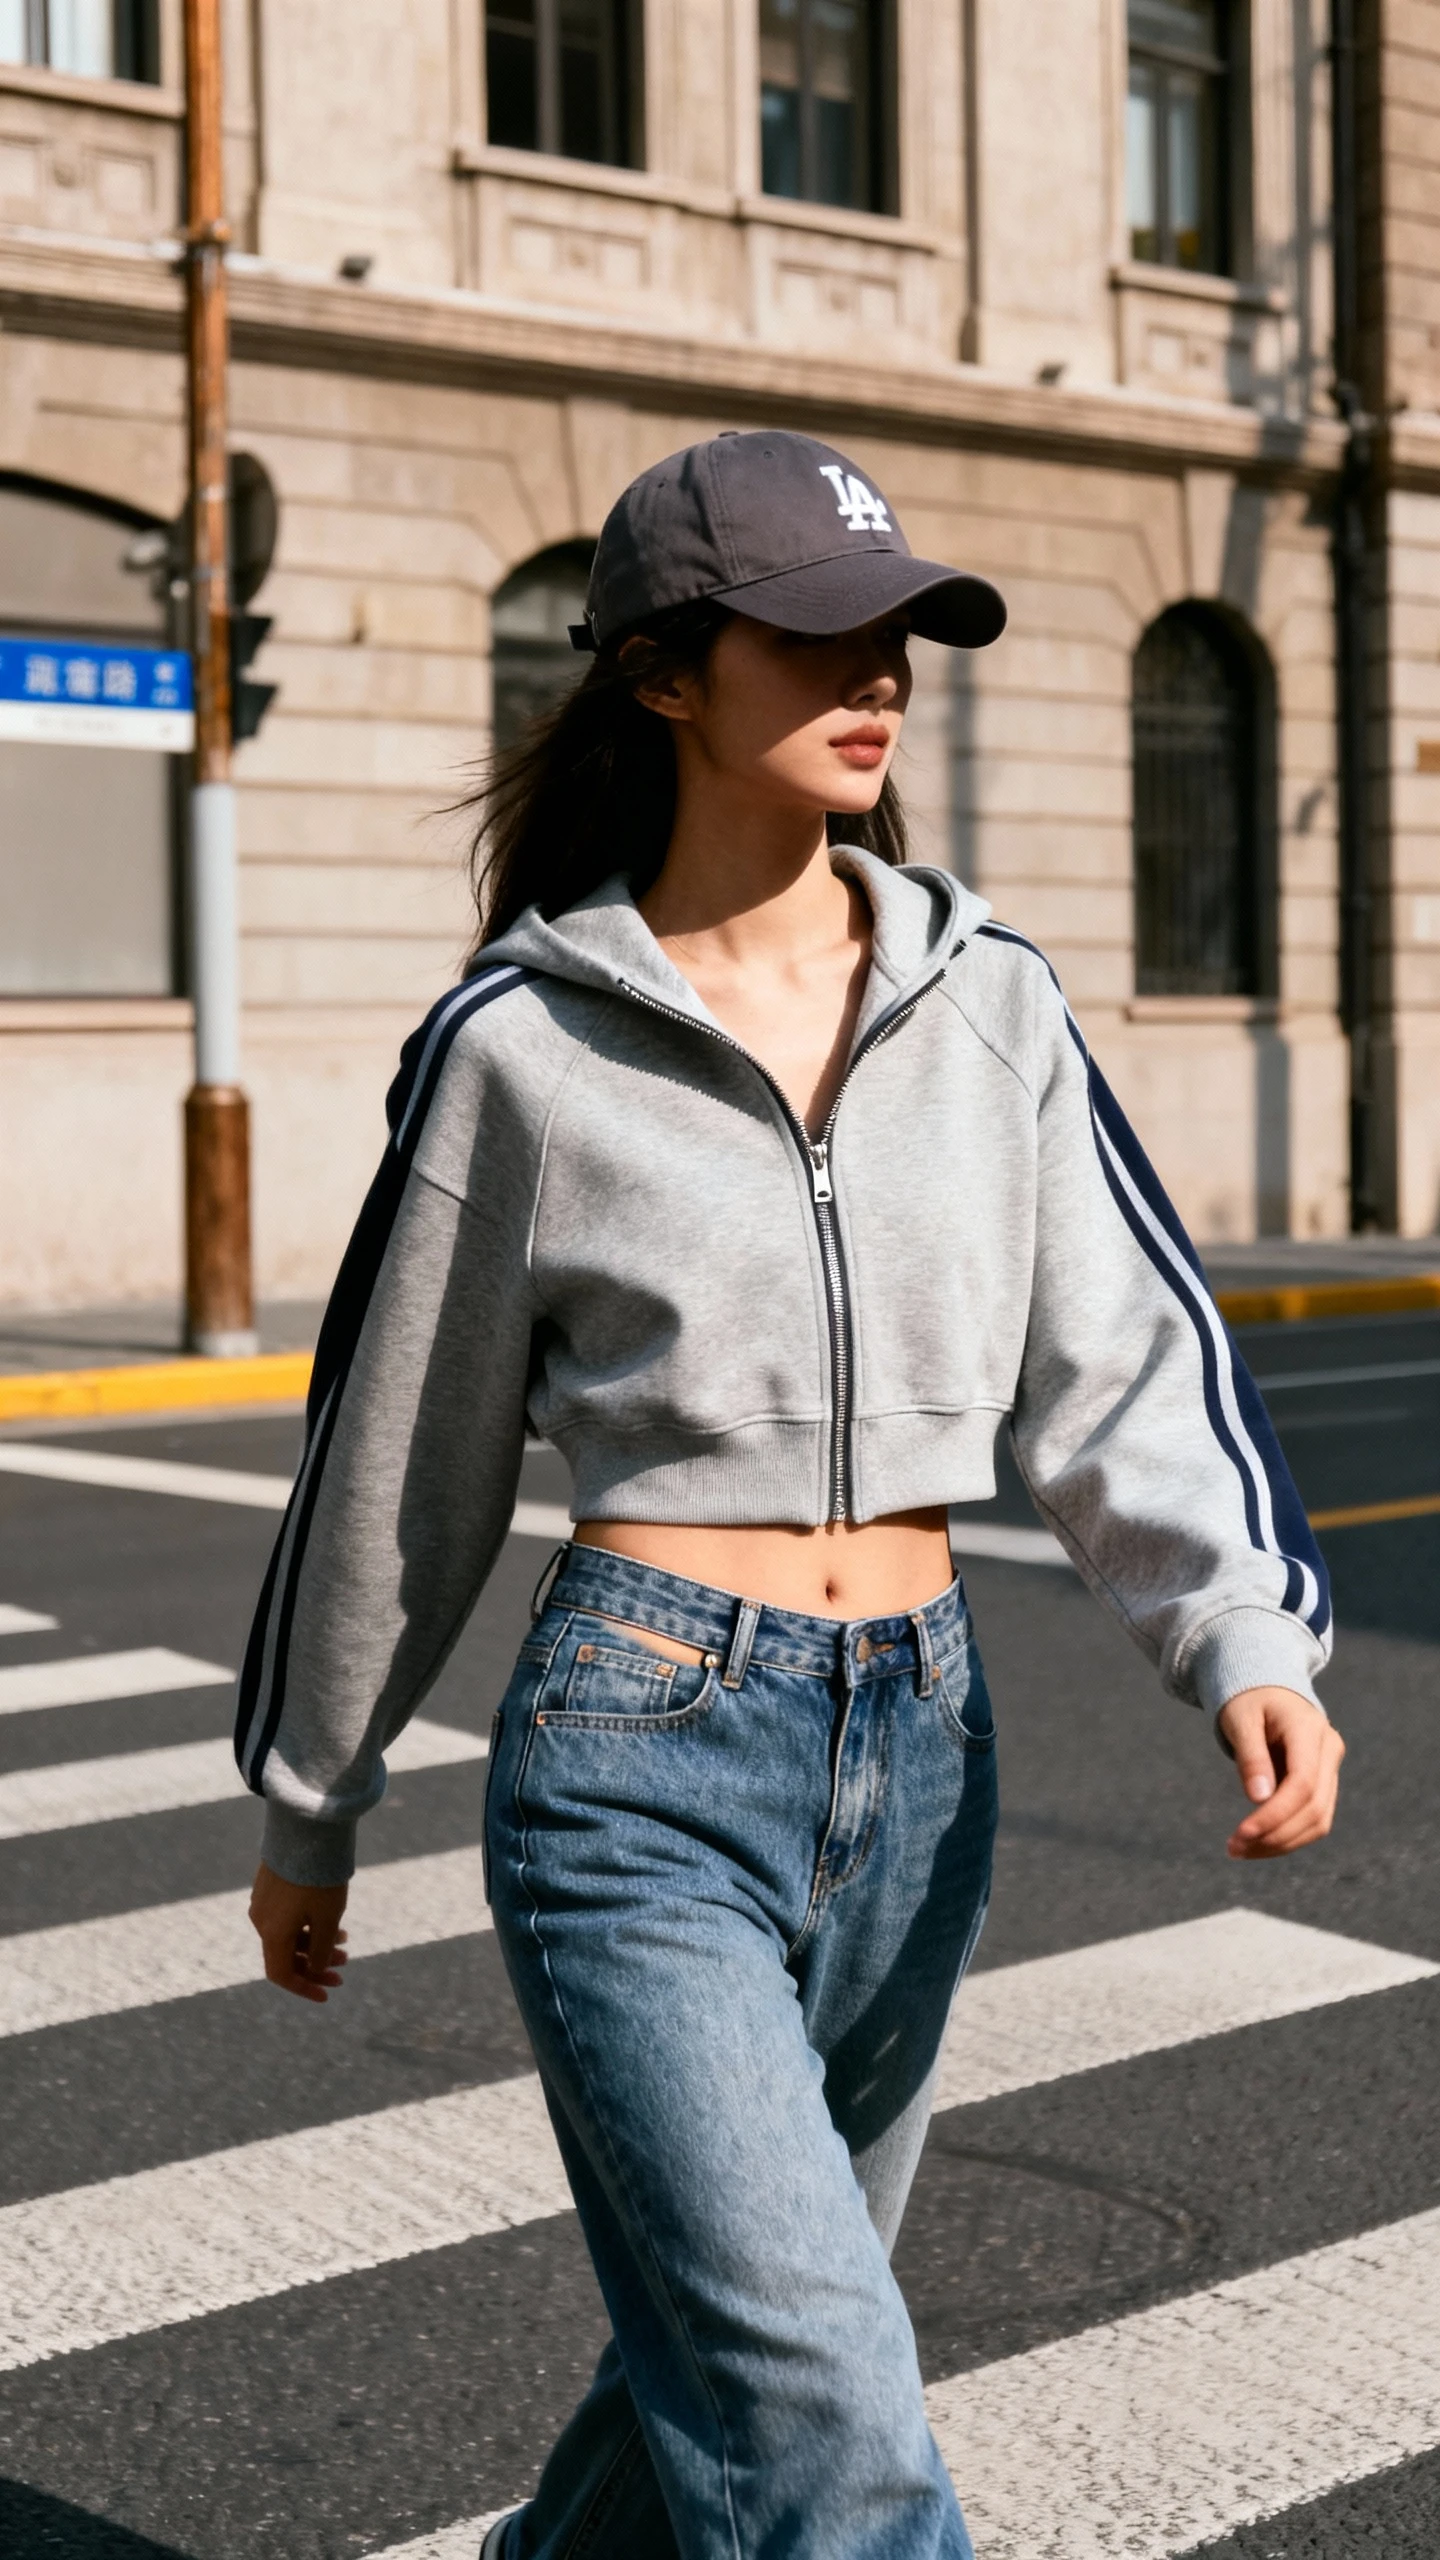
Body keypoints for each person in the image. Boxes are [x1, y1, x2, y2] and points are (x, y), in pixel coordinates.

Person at [239, 429, 1345, 2560]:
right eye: (819, 634)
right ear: (663, 673)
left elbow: (1122, 1352)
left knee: (737, 2372)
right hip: (637, 1763)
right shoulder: (523, 1050)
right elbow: (396, 1455)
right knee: (826, 2423)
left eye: (899, 632)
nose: (879, 675)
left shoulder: (989, 1003)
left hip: (920, 1747)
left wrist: (1237, 1629)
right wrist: (315, 1793)